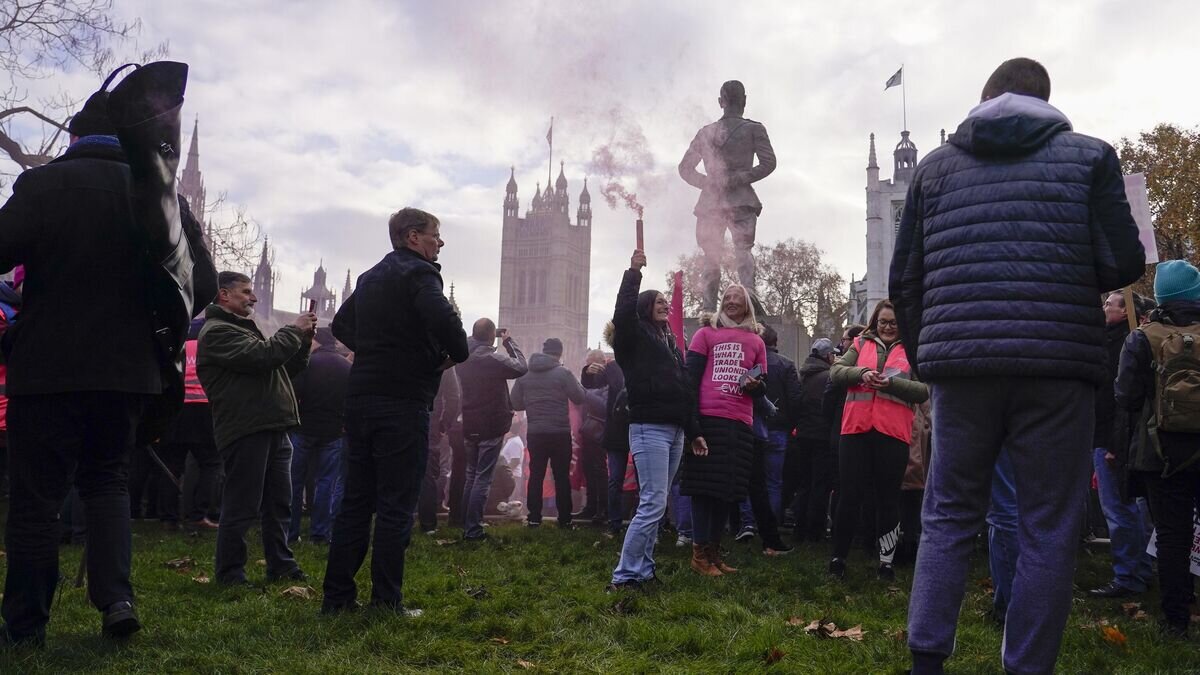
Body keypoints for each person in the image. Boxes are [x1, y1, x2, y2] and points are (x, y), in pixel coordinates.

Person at [891, 58, 1145, 674]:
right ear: (1046, 99)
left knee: (948, 514)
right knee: (1047, 526)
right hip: (1057, 366)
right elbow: (1122, 265)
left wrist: (934, 358)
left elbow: (905, 280)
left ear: (983, 99)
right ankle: (1026, 666)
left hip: (962, 369)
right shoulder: (1090, 157)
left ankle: (927, 661)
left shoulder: (934, 168)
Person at [0, 85, 214, 644]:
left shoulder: (44, 184)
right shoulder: (161, 195)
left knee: (36, 499)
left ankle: (26, 625)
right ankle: (117, 599)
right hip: (128, 373)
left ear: (73, 137)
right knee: (108, 483)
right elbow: (205, 286)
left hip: (46, 367)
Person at [323, 207, 468, 615]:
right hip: (402, 402)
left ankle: (336, 598)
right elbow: (448, 325)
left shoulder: (371, 276)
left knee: (355, 503)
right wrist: (443, 355)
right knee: (395, 505)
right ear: (412, 237)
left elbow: (340, 325)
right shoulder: (421, 274)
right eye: (435, 235)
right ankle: (386, 601)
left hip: (361, 398)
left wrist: (373, 350)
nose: (440, 243)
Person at [198, 272, 314, 585]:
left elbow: (281, 368)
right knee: (242, 504)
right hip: (247, 428)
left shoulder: (242, 329)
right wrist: (292, 331)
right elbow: (264, 357)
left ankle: (281, 564)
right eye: (246, 292)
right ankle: (230, 572)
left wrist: (301, 344)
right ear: (224, 295)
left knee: (279, 504)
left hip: (273, 425)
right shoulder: (218, 332)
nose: (254, 297)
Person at [1114, 260, 1200, 638]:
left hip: (1159, 452)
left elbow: (1125, 397)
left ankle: (1175, 621)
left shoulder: (1141, 337)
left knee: (1171, 535)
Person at [607, 250, 696, 590]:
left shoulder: (668, 342)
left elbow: (683, 387)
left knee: (656, 502)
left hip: (673, 429)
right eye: (658, 301)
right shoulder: (633, 337)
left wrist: (693, 429)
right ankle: (625, 574)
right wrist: (633, 272)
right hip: (649, 427)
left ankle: (643, 570)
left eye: (665, 301)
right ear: (644, 305)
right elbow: (622, 313)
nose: (664, 304)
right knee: (653, 501)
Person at [827, 301, 928, 581]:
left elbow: (923, 390)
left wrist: (892, 383)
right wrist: (862, 373)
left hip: (892, 432)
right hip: (856, 430)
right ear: (875, 321)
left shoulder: (913, 348)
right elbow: (836, 372)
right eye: (883, 321)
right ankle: (838, 558)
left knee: (889, 500)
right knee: (849, 496)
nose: (887, 326)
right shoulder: (859, 344)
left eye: (893, 322)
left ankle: (886, 562)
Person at [680, 284, 768, 577]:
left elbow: (762, 385)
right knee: (703, 490)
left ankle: (714, 553)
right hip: (708, 419)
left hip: (740, 423)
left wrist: (757, 387)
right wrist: (693, 429)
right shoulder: (705, 334)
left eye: (737, 299)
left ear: (747, 306)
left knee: (726, 491)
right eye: (727, 298)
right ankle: (698, 555)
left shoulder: (757, 341)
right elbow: (689, 382)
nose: (731, 302)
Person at [678, 80, 777, 312]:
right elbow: (769, 163)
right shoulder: (755, 129)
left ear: (721, 102)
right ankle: (750, 305)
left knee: (711, 254)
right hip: (742, 199)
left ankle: (708, 309)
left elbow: (685, 169)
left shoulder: (705, 133)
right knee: (743, 250)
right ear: (744, 101)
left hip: (711, 203)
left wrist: (710, 184)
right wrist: (740, 178)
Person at [1089, 291, 1155, 598]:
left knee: (1118, 508)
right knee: (1130, 508)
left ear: (1125, 312)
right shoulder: (1108, 340)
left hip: (1112, 438)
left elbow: (1121, 401)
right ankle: (1140, 568)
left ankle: (1128, 577)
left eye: (1109, 304)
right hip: (1108, 435)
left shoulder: (1125, 345)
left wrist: (1114, 443)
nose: (1104, 308)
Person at [457, 318, 526, 540]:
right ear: (490, 336)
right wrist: (509, 342)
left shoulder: (463, 358)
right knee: (482, 478)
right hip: (491, 425)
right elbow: (521, 367)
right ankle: (474, 529)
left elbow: (472, 340)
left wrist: (484, 337)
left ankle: (465, 523)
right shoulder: (490, 359)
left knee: (471, 476)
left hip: (470, 424)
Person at [511, 338, 587, 528]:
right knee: (561, 476)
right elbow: (579, 397)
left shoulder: (525, 375)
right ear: (559, 354)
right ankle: (565, 519)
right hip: (559, 432)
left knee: (535, 474)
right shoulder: (563, 373)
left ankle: (534, 518)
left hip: (536, 432)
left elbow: (516, 403)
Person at [287, 326, 351, 545]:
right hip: (333, 432)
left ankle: (291, 533)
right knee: (326, 483)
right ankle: (320, 533)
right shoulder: (346, 367)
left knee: (294, 483)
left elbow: (294, 395)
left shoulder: (307, 363)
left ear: (318, 342)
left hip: (303, 429)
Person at [157, 317, 221, 533]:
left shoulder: (178, 332)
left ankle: (168, 518)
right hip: (204, 409)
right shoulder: (213, 334)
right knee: (210, 464)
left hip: (175, 407)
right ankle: (198, 515)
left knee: (171, 465)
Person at [790, 338, 837, 542]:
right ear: (828, 356)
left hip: (803, 435)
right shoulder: (830, 377)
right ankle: (814, 531)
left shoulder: (803, 376)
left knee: (804, 483)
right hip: (822, 437)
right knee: (820, 485)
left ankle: (799, 529)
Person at [760, 324, 802, 521]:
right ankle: (773, 523)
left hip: (753, 425)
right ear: (775, 342)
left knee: (751, 479)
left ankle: (747, 524)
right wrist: (790, 423)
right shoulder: (786, 365)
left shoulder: (750, 364)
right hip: (779, 428)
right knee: (774, 481)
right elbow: (795, 399)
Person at [418, 367, 461, 534]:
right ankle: (428, 524)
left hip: (402, 416)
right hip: (430, 419)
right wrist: (444, 424)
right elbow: (453, 397)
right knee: (428, 473)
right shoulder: (442, 356)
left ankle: (395, 521)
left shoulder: (403, 347)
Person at [576, 350, 611, 524]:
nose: (588, 367)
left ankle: (602, 508)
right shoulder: (591, 380)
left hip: (601, 430)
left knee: (599, 470)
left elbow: (604, 406)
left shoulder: (610, 380)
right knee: (588, 468)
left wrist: (584, 393)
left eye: (590, 363)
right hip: (588, 430)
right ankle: (590, 507)